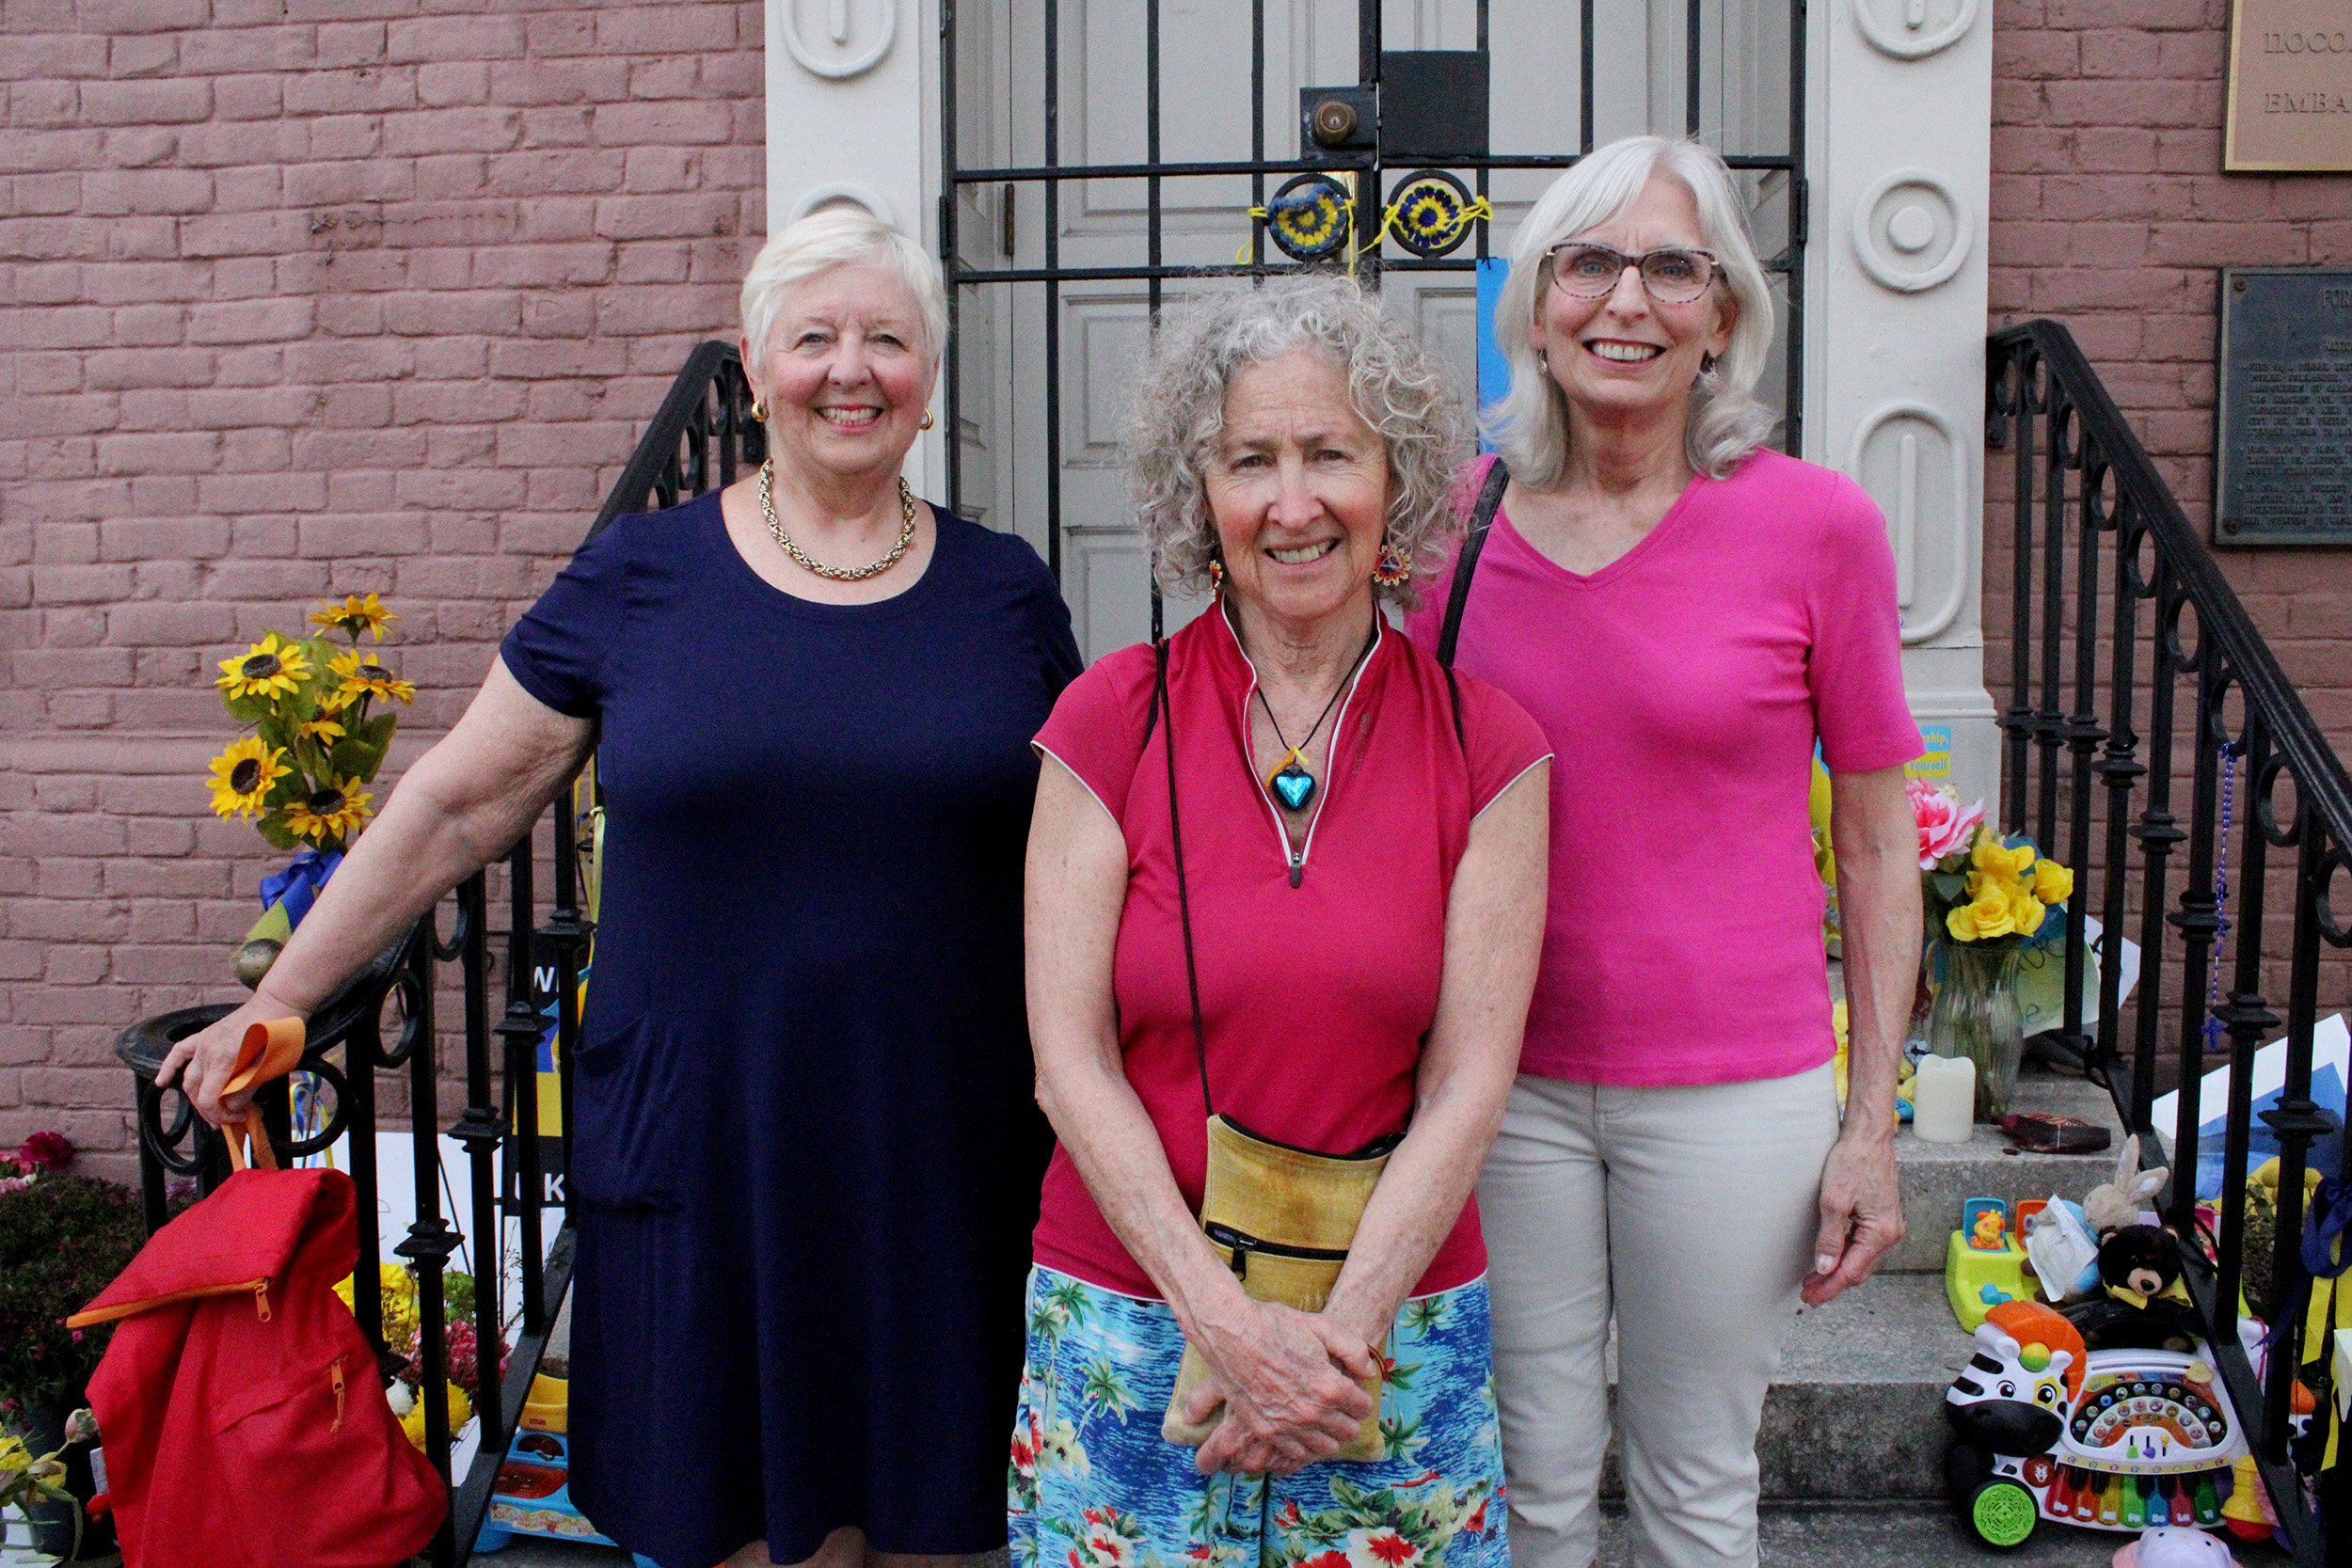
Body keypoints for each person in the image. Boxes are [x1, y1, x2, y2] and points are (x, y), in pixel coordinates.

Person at [158, 203, 1081, 1568]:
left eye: (887, 339)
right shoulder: (646, 575)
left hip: (934, 1146)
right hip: (707, 1140)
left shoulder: (1005, 593)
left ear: (929, 379)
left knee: (938, 1525)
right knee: (736, 1530)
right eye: (814, 337)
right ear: (759, 368)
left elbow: (1093, 858)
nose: (851, 369)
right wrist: (284, 999)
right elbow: (459, 802)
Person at [1400, 135, 1926, 1568]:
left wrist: (1872, 1126)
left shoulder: (1818, 525)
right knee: (1529, 1484)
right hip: (1493, 1088)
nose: (1624, 300)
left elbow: (1882, 846)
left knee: (1700, 1490)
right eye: (1589, 262)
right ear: (1537, 303)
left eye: (1671, 266)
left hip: (1731, 1094)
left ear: (1724, 316)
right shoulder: (1447, 525)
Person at [1015, 276, 1553, 1565]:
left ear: (1399, 483)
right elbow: (1067, 1062)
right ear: (1199, 496)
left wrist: (1325, 1349)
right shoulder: (1107, 723)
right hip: (1135, 1319)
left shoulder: (1493, 748)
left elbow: (1471, 1083)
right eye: (1251, 459)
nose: (1294, 501)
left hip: (1387, 1341)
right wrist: (1224, 1324)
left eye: (1331, 453)